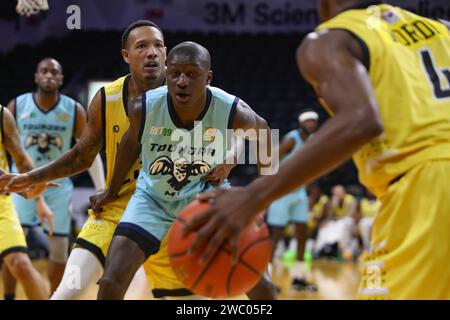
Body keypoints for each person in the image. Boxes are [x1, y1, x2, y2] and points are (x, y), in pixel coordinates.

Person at [184, 0, 450, 299]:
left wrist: (254, 195)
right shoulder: (440, 29)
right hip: (401, 186)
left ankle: (291, 275)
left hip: (428, 188)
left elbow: (362, 119)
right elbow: (270, 149)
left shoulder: (329, 40)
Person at [0, 21, 230, 300]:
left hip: (173, 213)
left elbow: (254, 131)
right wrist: (32, 177)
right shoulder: (107, 98)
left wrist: (232, 160)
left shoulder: (194, 95)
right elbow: (83, 155)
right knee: (67, 292)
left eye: (158, 45)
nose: (152, 53)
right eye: (142, 46)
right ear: (126, 56)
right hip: (117, 207)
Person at [92, 41, 276, 300]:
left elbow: (265, 135)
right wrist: (111, 190)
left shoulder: (233, 110)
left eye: (192, 74)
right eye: (175, 73)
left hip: (206, 200)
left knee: (260, 284)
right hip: (152, 201)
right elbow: (130, 144)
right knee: (112, 280)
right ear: (166, 74)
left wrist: (261, 198)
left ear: (208, 78)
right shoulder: (143, 107)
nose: (181, 81)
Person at [2, 57, 105, 296]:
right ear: (36, 77)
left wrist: (101, 187)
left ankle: (53, 295)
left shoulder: (74, 109)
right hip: (22, 186)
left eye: (54, 72)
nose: (49, 75)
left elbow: (88, 152)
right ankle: (7, 295)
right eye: (44, 71)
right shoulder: (17, 105)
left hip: (58, 187)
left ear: (61, 79)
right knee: (13, 251)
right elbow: (7, 147)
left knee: (59, 251)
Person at [0, 105, 54, 299]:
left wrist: (36, 195)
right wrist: (7, 178)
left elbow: (22, 159)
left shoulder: (2, 115)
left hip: (2, 204)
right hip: (4, 185)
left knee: (21, 263)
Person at [266, 109, 318, 291]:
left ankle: (299, 277)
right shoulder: (292, 139)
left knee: (302, 234)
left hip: (299, 191)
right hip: (282, 191)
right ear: (300, 123)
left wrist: (312, 187)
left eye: (314, 121)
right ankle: (268, 280)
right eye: (308, 121)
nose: (311, 124)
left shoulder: (313, 141)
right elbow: (271, 159)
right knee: (276, 235)